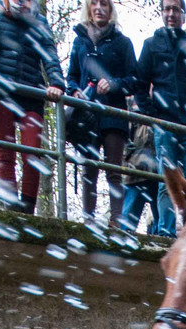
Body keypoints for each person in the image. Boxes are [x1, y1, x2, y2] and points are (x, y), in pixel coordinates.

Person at [135, 0, 186, 237]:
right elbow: (140, 86)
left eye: (175, 9)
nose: (171, 14)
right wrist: (153, 117)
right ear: (161, 12)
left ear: (183, 14)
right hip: (165, 126)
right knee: (166, 184)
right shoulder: (152, 45)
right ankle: (166, 234)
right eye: (167, 9)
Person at [0, 0, 62, 209]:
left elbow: (49, 54)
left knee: (32, 153)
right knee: (6, 152)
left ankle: (28, 209)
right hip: (0, 89)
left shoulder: (39, 21)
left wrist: (57, 83)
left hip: (31, 92)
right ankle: (12, 207)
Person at [65, 0, 135, 226]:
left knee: (114, 169)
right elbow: (72, 76)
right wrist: (74, 91)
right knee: (89, 168)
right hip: (86, 114)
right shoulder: (79, 41)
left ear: (110, 9)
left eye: (104, 4)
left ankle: (117, 223)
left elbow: (134, 80)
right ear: (88, 8)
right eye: (94, 3)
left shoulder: (123, 43)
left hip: (114, 114)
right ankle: (88, 221)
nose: (98, 8)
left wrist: (114, 84)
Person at [119, 115, 158, 232]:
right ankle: (123, 245)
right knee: (128, 221)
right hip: (136, 171)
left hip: (160, 174)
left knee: (163, 225)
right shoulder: (132, 102)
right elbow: (122, 136)